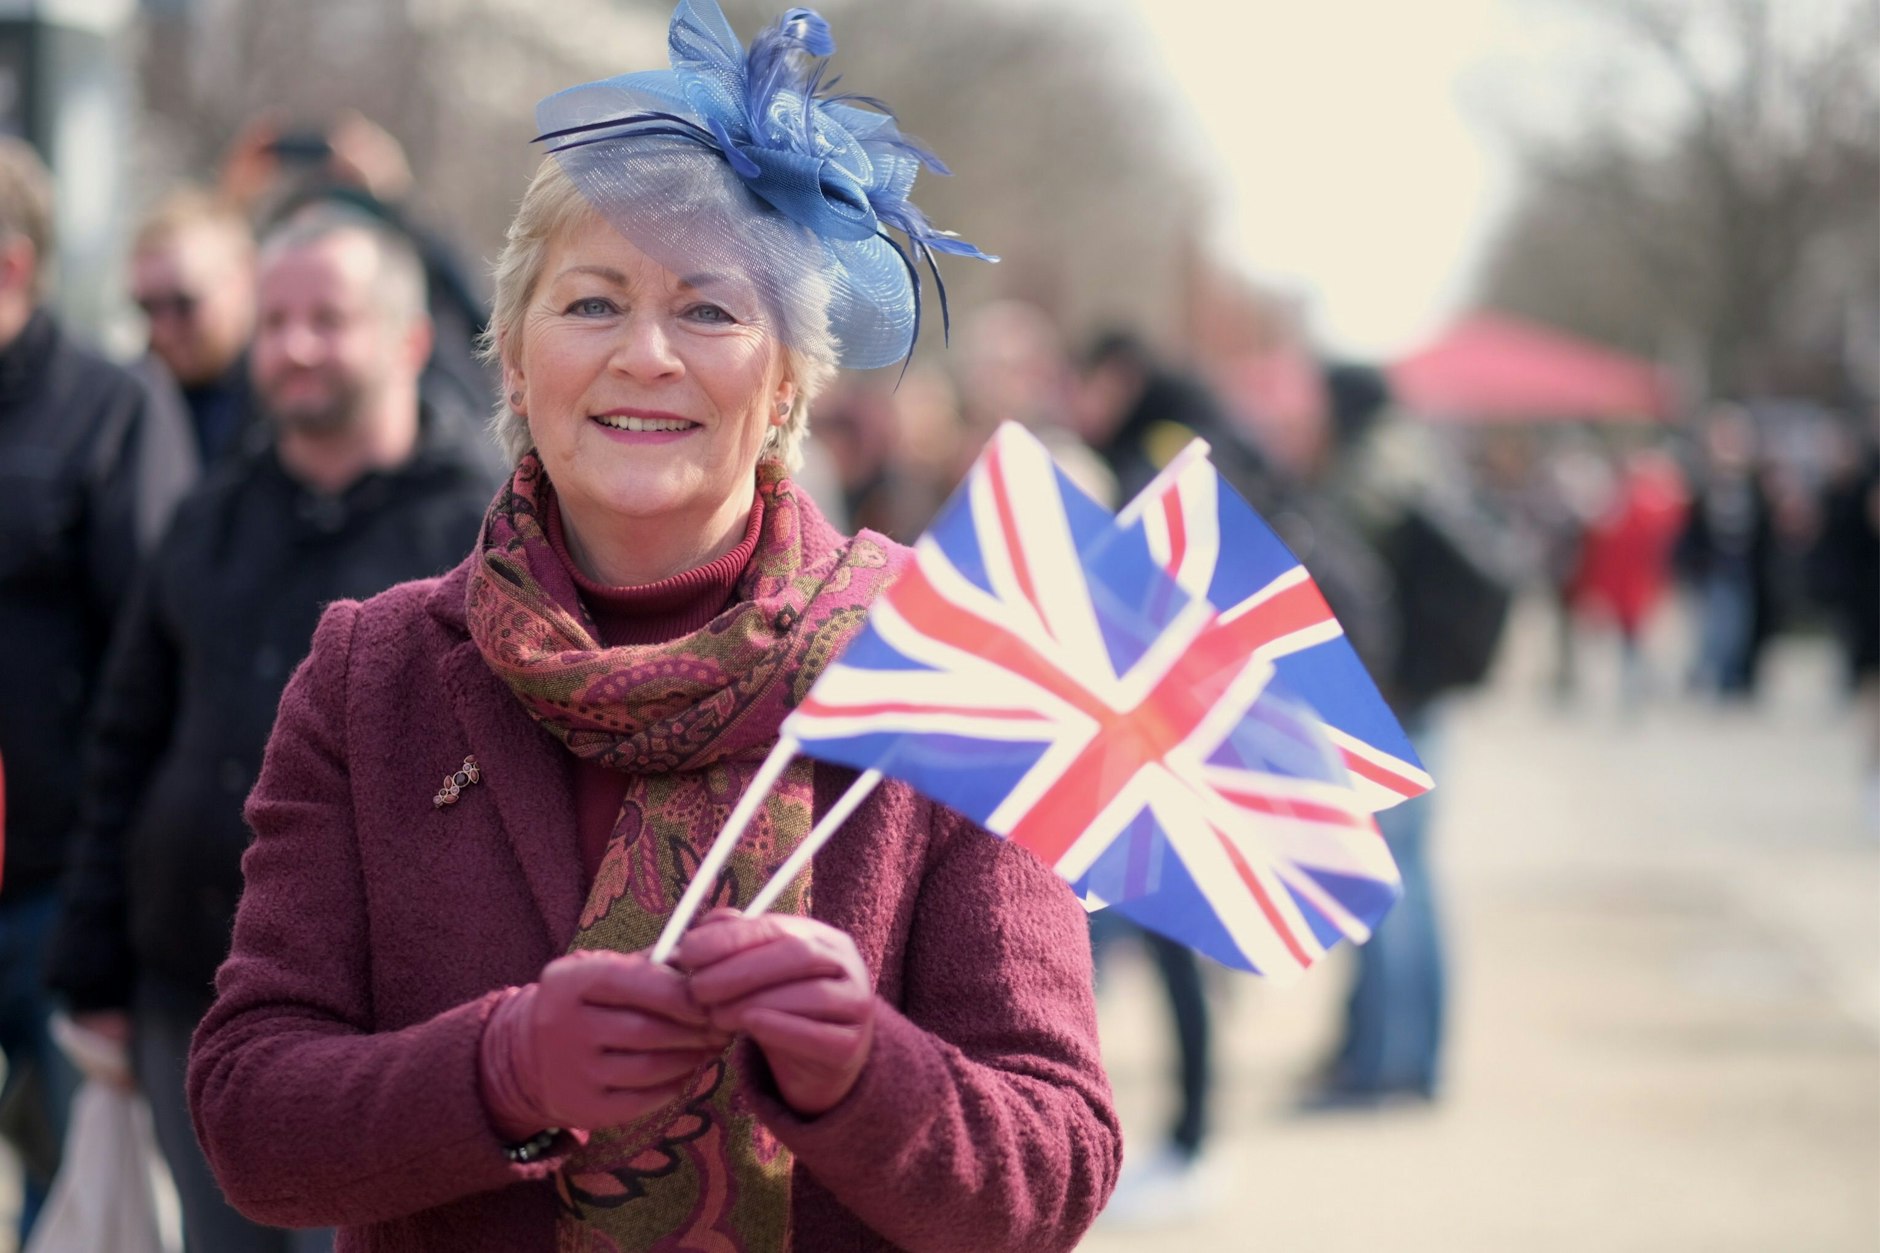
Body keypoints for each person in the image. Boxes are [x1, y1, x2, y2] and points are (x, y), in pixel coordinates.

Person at [186, 4, 1119, 1250]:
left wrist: (864, 1068)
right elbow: (249, 1118)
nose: (645, 355)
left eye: (709, 311)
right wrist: (499, 1069)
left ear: (788, 375)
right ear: (511, 358)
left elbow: (1053, 1169)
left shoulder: (941, 662)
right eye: (590, 304)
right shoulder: (377, 672)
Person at [48, 206, 499, 1253]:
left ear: (407, 340)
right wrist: (94, 964)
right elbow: (126, 742)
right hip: (189, 994)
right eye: (277, 318)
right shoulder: (208, 515)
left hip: (385, 1024)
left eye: (327, 319)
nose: (294, 346)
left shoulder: (479, 528)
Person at [0, 136, 197, 1241]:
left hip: (55, 889)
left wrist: (111, 910)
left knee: (75, 1201)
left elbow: (151, 670)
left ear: (14, 268)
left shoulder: (109, 409)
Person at [129, 187, 259, 464]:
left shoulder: (289, 400)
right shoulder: (127, 405)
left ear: (243, 279)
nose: (164, 330)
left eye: (184, 304)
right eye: (148, 308)